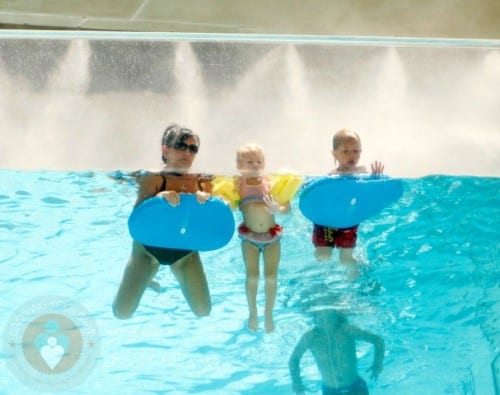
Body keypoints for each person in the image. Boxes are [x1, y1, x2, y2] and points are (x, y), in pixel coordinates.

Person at [113, 123, 213, 319]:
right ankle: (147, 277)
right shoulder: (153, 178)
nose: (187, 152)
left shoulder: (202, 181)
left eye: (193, 149)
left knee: (203, 311)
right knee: (121, 313)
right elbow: (137, 221)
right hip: (148, 251)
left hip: (185, 253)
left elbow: (210, 220)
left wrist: (206, 201)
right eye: (181, 146)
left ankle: (148, 277)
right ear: (165, 150)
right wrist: (158, 200)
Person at [312, 129, 384, 280]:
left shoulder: (362, 172)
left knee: (345, 259)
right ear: (334, 154)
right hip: (327, 221)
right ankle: (323, 279)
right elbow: (321, 196)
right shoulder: (331, 175)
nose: (351, 155)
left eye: (355, 151)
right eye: (345, 151)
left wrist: (376, 179)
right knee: (322, 255)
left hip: (348, 219)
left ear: (361, 152)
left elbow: (369, 194)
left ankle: (358, 270)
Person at [236, 143, 291, 333]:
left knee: (270, 278)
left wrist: (278, 209)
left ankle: (268, 314)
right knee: (252, 277)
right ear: (239, 165)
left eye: (259, 161)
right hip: (249, 238)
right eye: (249, 161)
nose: (255, 165)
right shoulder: (238, 184)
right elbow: (229, 203)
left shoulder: (270, 183)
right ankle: (253, 312)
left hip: (271, 238)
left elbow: (287, 208)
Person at [288, 309, 385, 395]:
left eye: (329, 314)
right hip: (330, 391)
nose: (325, 318)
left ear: (336, 314)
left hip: (356, 387)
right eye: (320, 315)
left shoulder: (347, 329)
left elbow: (378, 341)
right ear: (315, 317)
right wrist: (296, 382)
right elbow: (294, 359)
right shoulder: (310, 337)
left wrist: (377, 364)